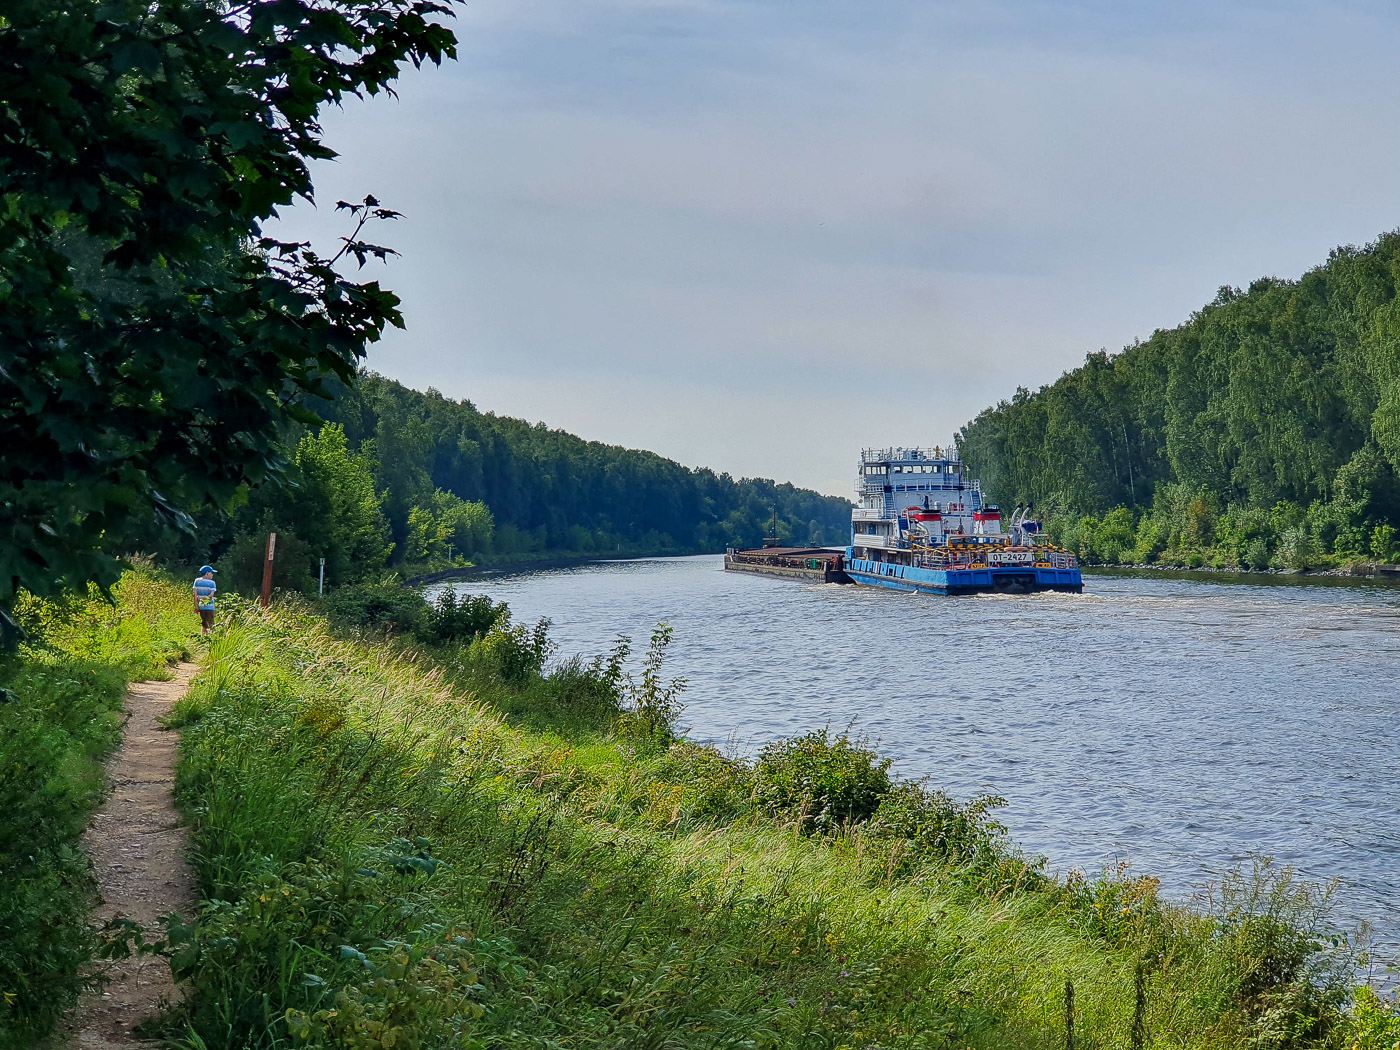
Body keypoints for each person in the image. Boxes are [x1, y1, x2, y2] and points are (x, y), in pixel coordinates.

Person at [193, 565, 217, 635]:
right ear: (207, 573)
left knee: (203, 623)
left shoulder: (196, 581)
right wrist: (203, 598)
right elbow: (211, 596)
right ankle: (210, 638)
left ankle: (202, 637)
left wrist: (196, 606)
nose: (212, 575)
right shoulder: (212, 583)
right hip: (210, 607)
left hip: (201, 606)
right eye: (211, 573)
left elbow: (194, 594)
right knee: (210, 624)